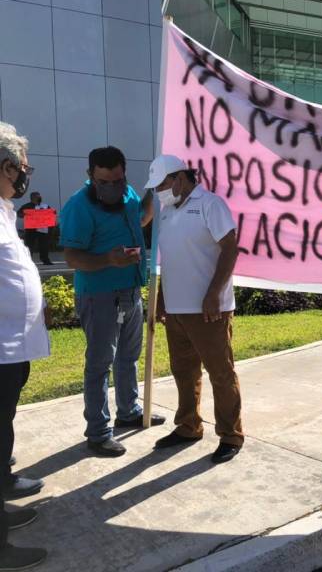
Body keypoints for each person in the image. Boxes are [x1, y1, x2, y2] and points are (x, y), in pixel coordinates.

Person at [59, 146, 165, 458]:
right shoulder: (79, 206)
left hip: (131, 291)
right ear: (90, 176)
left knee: (129, 356)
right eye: (104, 182)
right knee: (99, 364)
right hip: (99, 296)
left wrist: (154, 195)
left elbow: (141, 218)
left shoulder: (129, 194)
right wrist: (109, 259)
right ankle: (98, 431)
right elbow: (72, 257)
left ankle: (129, 411)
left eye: (118, 180)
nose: (112, 188)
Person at [146, 155, 243, 464]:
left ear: (180, 178)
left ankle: (231, 435)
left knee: (220, 373)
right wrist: (162, 297)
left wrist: (214, 293)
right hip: (176, 309)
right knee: (184, 372)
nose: (158, 191)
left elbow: (230, 246)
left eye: (162, 184)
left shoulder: (210, 204)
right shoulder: (166, 210)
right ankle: (189, 426)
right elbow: (170, 258)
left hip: (208, 310)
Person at [0, 121, 48, 570]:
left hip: (10, 348)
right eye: (22, 169)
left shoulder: (5, 209)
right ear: (7, 166)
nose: (25, 177)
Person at [17, 193, 53, 265]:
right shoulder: (26, 206)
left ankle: (45, 260)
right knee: (29, 245)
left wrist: (52, 214)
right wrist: (24, 214)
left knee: (44, 245)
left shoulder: (45, 206)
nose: (39, 197)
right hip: (31, 229)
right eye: (37, 196)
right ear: (32, 197)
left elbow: (51, 213)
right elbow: (19, 214)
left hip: (42, 229)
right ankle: (28, 261)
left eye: (40, 196)